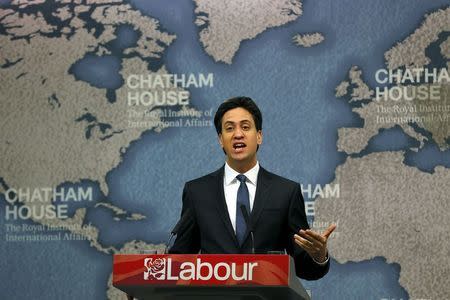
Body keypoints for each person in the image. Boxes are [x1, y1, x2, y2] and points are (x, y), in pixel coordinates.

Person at [169, 96, 336, 280]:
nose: (238, 134)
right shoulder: (197, 192)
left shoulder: (286, 193)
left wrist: (319, 256)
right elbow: (178, 262)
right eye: (229, 128)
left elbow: (304, 268)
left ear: (259, 136)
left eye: (245, 127)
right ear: (220, 140)